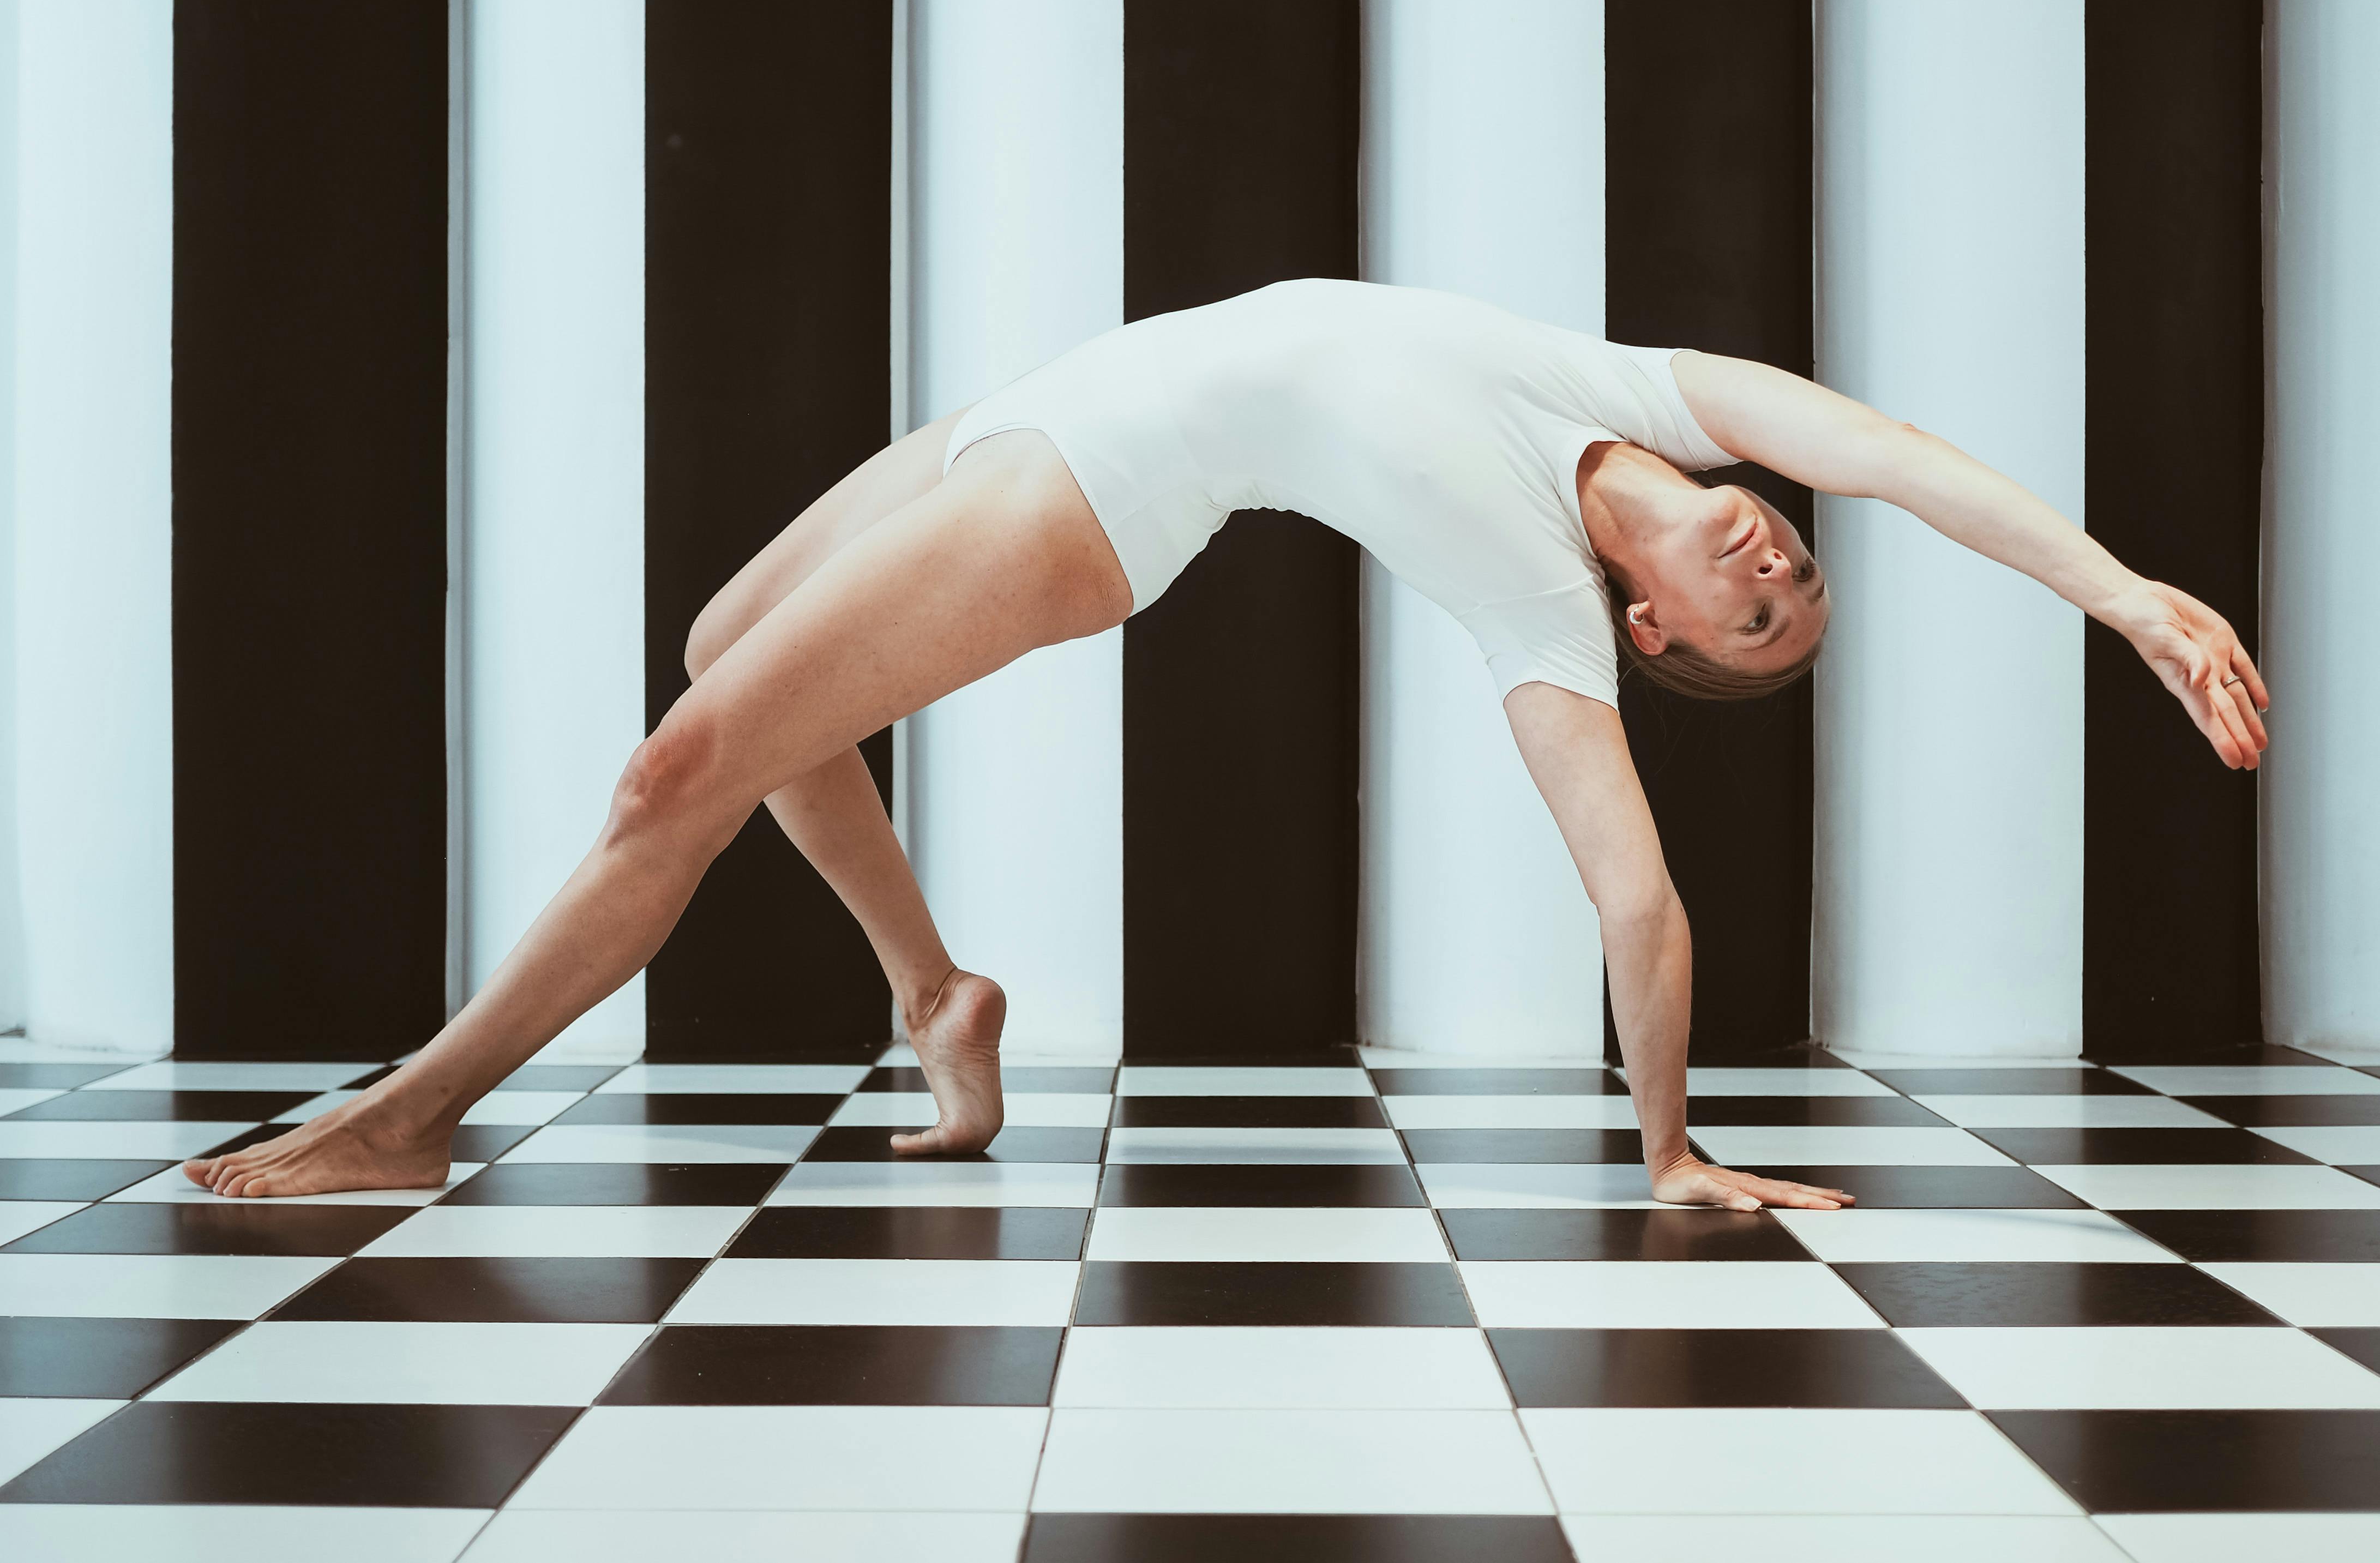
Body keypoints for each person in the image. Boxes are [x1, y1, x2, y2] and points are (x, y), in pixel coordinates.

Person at [185, 278, 2268, 1206]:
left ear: (1656, 636)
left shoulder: (1544, 606)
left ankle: (416, 1111)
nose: (1777, 566)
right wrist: (2126, 591)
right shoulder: (1652, 382)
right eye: (1792, 573)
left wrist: (1670, 1147)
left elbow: (1636, 901)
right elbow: (1895, 456)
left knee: (678, 772)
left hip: (1095, 500)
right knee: (723, 643)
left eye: (1758, 621)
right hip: (1032, 405)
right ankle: (938, 989)